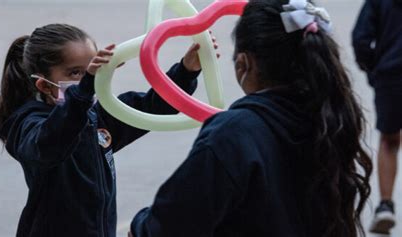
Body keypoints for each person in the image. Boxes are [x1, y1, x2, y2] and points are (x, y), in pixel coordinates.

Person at [129, 0, 372, 236]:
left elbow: (170, 225)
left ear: (243, 64)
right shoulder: (330, 118)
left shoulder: (233, 134)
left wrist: (139, 226)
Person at [0, 23, 217, 237]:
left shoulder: (96, 117)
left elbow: (153, 107)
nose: (90, 78)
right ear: (45, 85)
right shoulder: (27, 124)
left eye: (92, 69)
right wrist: (85, 89)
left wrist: (187, 70)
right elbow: (51, 141)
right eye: (76, 73)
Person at [353, 0, 402, 234]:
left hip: (391, 76)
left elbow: (360, 39)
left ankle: (385, 205)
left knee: (389, 140)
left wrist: (375, 69)